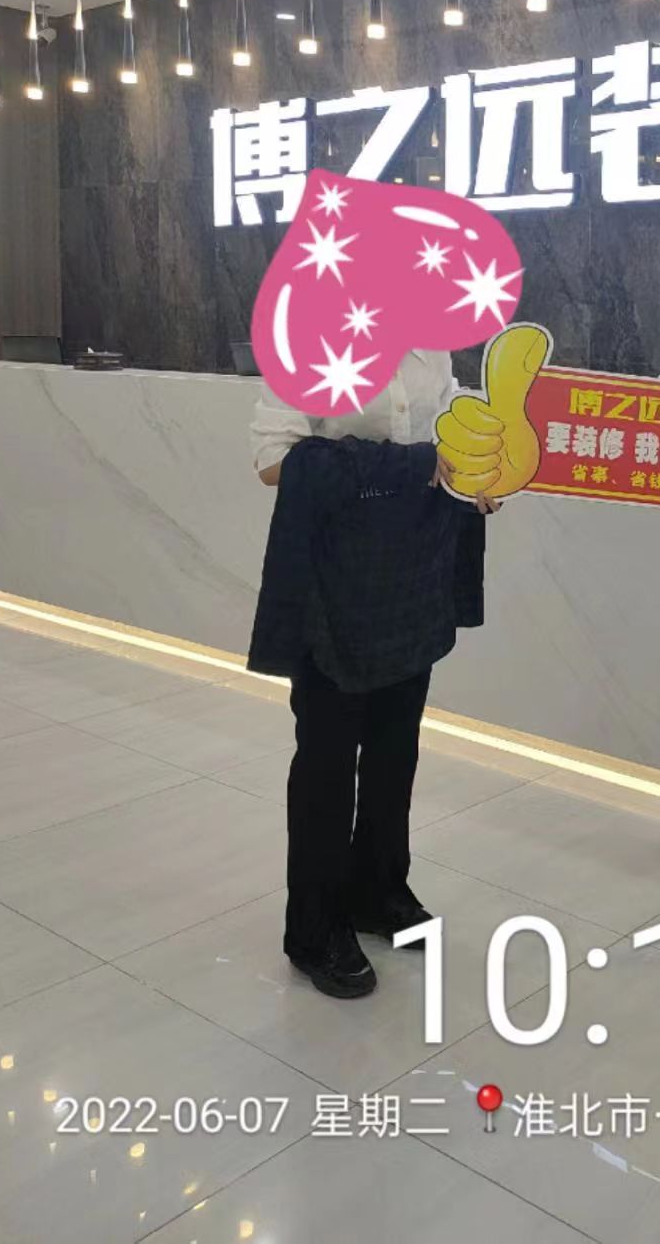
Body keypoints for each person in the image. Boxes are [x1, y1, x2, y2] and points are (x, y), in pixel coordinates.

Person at [247, 349, 496, 999]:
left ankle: (377, 892)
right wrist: (413, 465)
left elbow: (446, 426)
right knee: (327, 763)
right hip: (335, 584)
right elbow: (275, 461)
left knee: (394, 751)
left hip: (414, 576)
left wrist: (475, 473)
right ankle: (315, 928)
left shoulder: (431, 344)